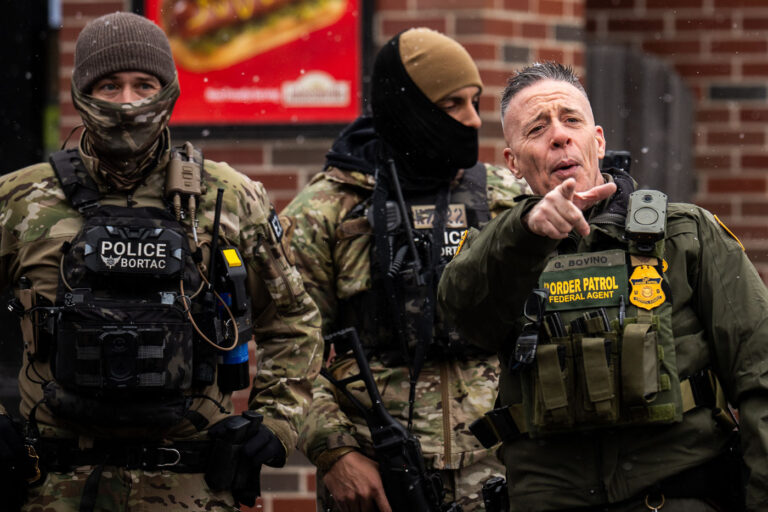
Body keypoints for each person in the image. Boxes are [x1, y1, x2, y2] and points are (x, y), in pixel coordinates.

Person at [0, 12, 322, 512]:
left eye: (143, 85)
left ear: (168, 91)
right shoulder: (21, 201)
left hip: (191, 487)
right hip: (55, 487)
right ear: (82, 93)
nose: (128, 103)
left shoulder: (229, 199)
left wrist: (276, 423)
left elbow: (294, 322)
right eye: (110, 86)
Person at [437, 61, 768, 511]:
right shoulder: (500, 256)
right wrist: (526, 234)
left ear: (598, 140)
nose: (559, 136)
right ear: (512, 162)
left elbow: (759, 375)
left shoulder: (686, 234)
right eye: (537, 129)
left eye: (571, 120)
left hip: (675, 497)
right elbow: (461, 314)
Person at [281, 27, 528, 512]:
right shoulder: (325, 212)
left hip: (502, 474)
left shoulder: (508, 199)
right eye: (452, 104)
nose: (473, 119)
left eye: (475, 102)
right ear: (408, 109)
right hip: (379, 482)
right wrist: (335, 452)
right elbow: (289, 351)